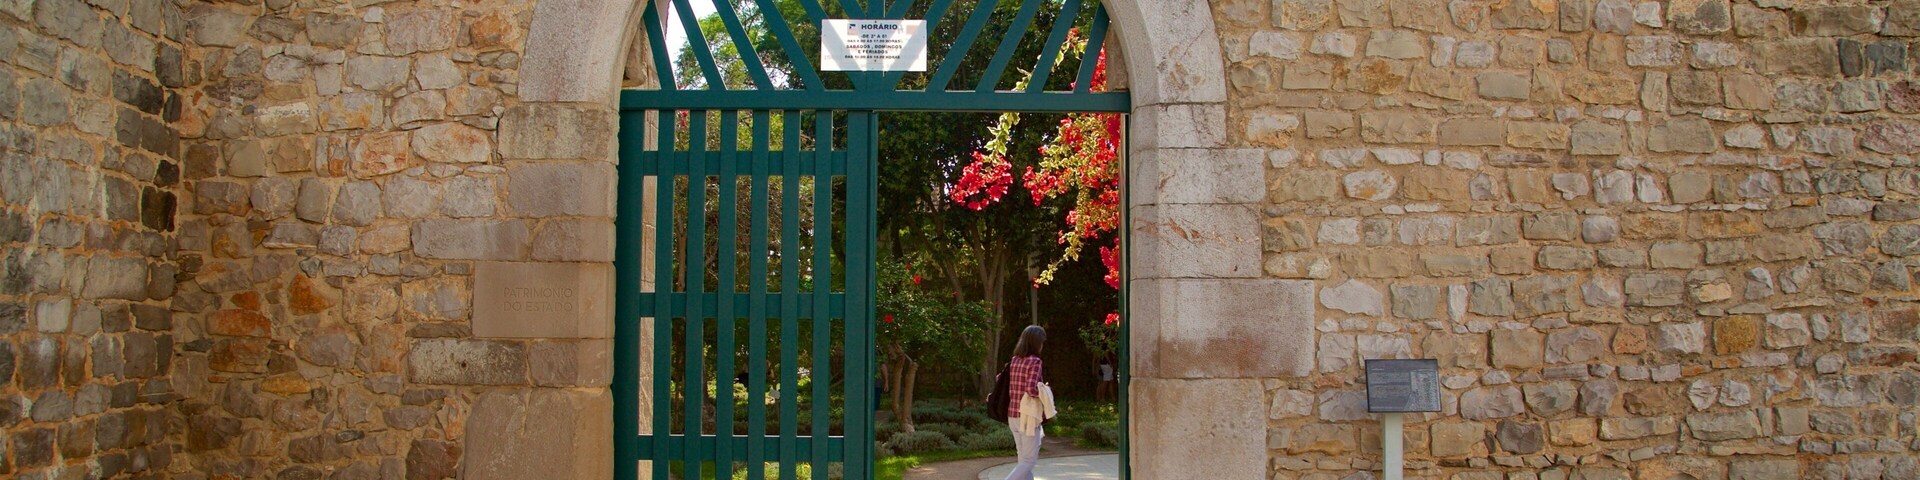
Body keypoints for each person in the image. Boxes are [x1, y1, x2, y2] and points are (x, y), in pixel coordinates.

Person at [1004, 325, 1046, 480]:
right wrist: (1044, 390)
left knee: (1023, 460)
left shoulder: (1015, 360)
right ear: (1037, 343)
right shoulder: (1035, 361)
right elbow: (1031, 389)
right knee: (1028, 461)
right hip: (1027, 417)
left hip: (1012, 416)